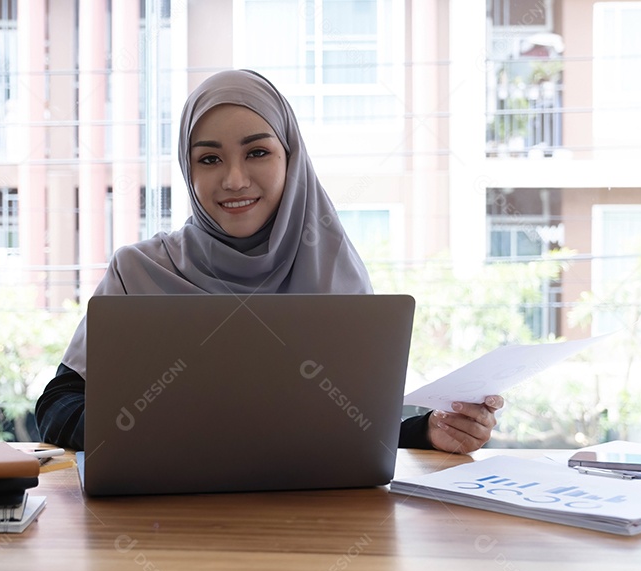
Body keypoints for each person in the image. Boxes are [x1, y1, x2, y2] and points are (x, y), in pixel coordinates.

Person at [35, 69, 502, 455]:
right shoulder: (138, 271)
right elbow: (57, 406)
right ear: (187, 168)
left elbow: (353, 426)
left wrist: (428, 432)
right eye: (209, 159)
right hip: (159, 524)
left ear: (291, 159)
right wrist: (164, 434)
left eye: (257, 152)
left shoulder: (334, 271)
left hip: (314, 530)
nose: (235, 179)